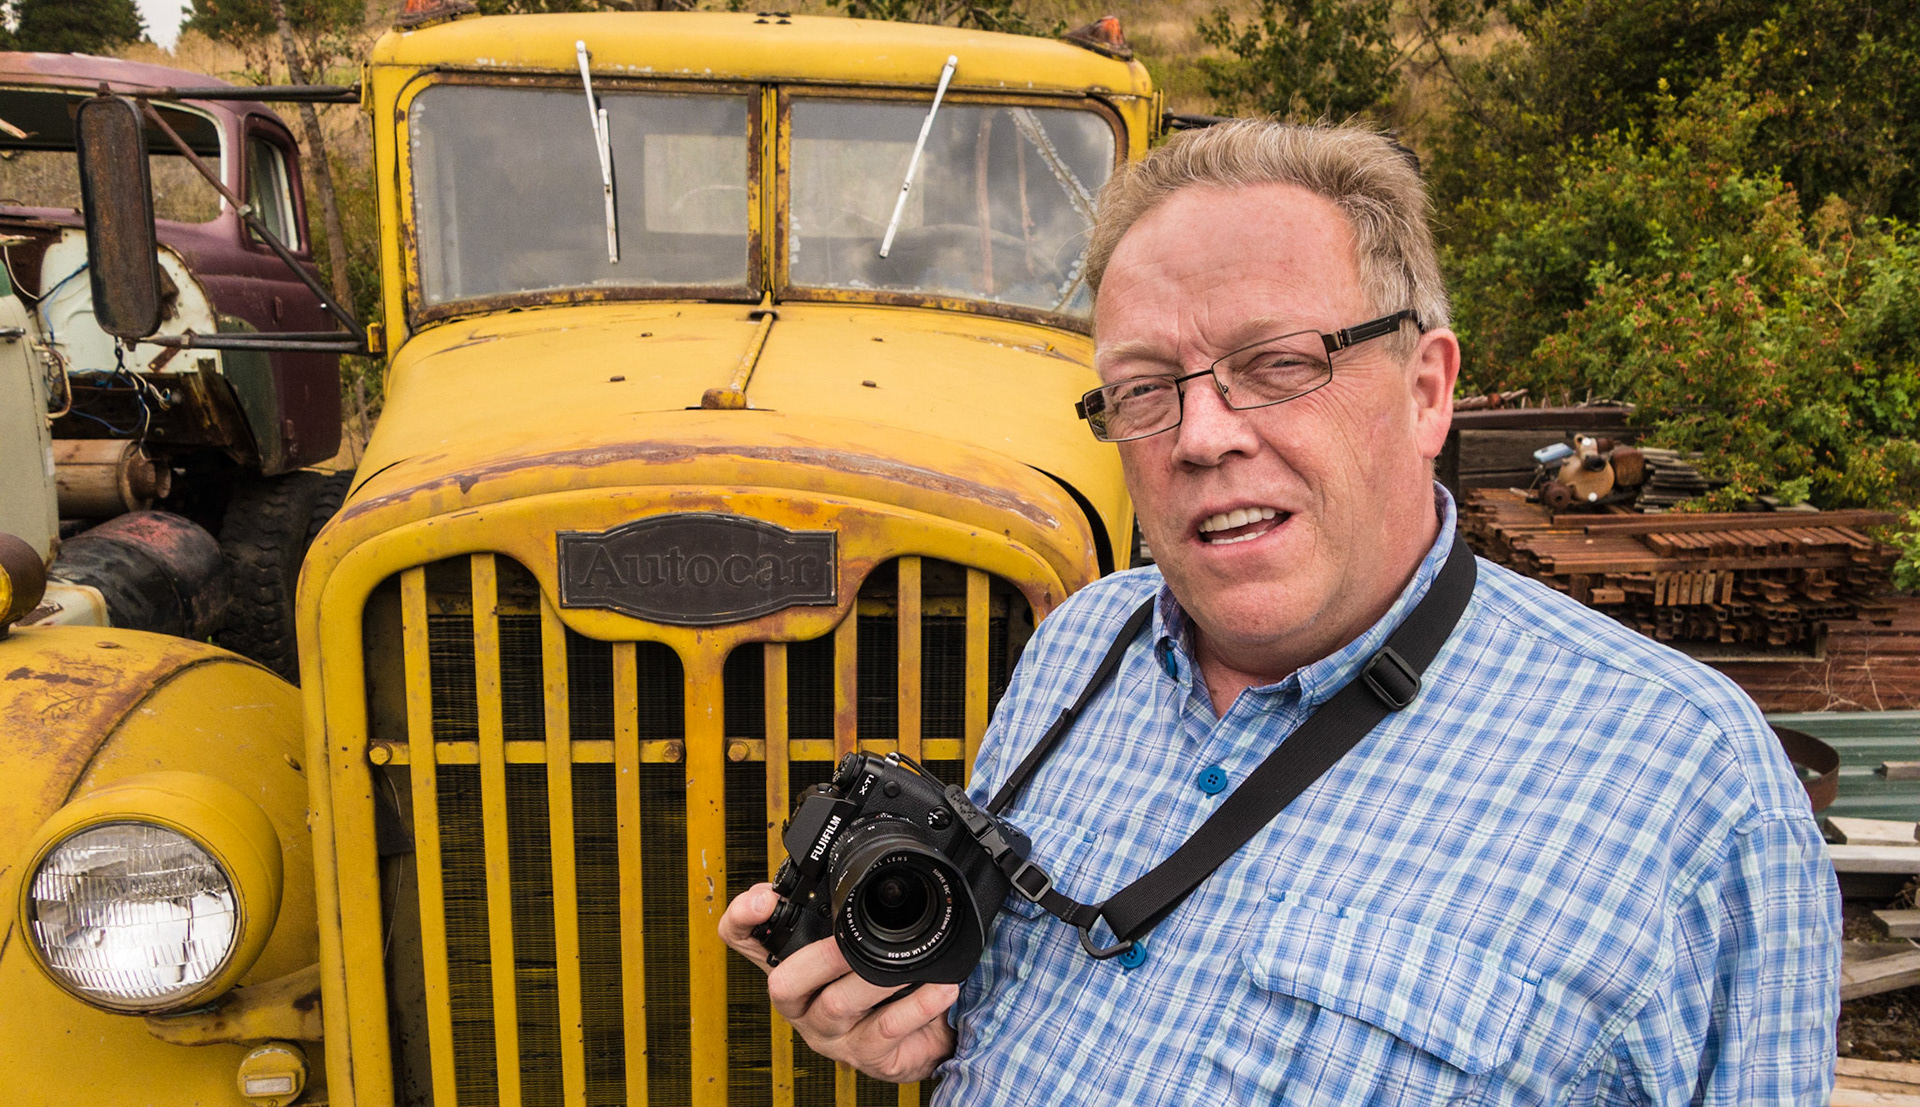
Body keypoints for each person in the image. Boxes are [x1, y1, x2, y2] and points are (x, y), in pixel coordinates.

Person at [720, 119, 1840, 1104]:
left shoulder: (1693, 783)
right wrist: (902, 1020)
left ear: (1427, 391)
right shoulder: (1077, 645)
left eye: (1277, 364)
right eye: (1143, 389)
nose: (1202, 436)